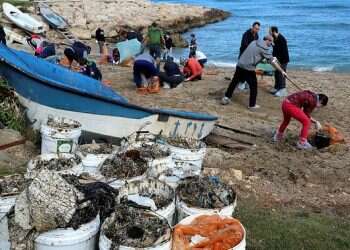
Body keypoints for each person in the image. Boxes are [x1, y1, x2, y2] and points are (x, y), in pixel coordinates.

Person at [221, 35, 286, 109]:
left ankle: (226, 97)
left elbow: (254, 54)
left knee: (234, 81)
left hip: (240, 64)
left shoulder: (254, 42)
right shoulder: (265, 48)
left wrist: (263, 59)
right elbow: (272, 62)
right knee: (254, 86)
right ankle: (252, 105)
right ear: (267, 40)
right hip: (248, 68)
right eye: (270, 44)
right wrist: (281, 71)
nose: (270, 46)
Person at [270, 26, 290, 97]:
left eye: (270, 31)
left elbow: (283, 52)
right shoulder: (275, 38)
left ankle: (282, 89)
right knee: (277, 73)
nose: (269, 33)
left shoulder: (281, 39)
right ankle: (277, 87)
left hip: (283, 59)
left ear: (273, 31)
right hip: (278, 59)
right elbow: (276, 49)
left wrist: (279, 61)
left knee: (281, 73)